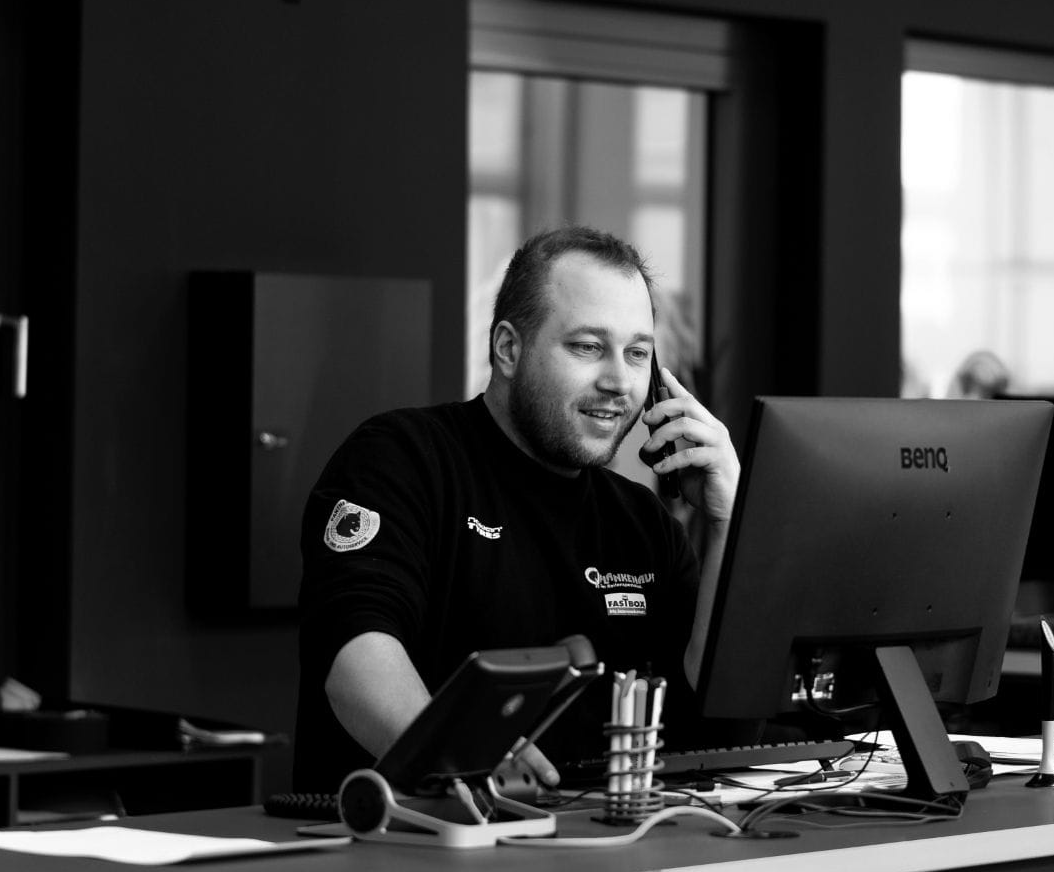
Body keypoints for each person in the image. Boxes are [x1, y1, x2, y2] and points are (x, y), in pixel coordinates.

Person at [292, 226, 740, 794]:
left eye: (638, 353)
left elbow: (720, 711)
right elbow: (355, 657)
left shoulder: (642, 522)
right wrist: (459, 756)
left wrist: (729, 524)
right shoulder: (402, 459)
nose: (618, 381)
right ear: (508, 348)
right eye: (587, 346)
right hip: (407, 852)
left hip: (604, 854)